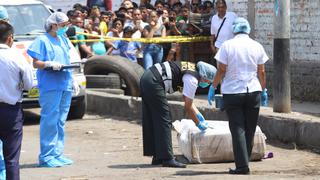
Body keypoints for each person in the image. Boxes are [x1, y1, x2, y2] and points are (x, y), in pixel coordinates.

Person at [210, 17, 269, 175]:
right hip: (253, 91)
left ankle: (242, 166)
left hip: (233, 92)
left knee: (238, 129)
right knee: (249, 129)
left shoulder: (227, 45)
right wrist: (263, 90)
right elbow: (261, 71)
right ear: (248, 29)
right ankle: (245, 161)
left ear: (234, 29)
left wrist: (213, 86)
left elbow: (222, 69)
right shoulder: (257, 45)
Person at [140, 60, 217, 168]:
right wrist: (198, 123)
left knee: (154, 118)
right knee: (164, 119)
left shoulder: (191, 70)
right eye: (209, 82)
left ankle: (158, 156)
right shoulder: (192, 80)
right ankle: (167, 159)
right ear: (205, 77)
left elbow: (187, 99)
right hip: (154, 81)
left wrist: (198, 114)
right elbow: (187, 107)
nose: (207, 84)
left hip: (148, 77)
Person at [27, 12, 74, 168]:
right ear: (54, 25)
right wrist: (47, 64)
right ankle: (46, 156)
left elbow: (66, 58)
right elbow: (36, 63)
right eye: (64, 25)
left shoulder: (63, 39)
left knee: (60, 121)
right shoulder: (42, 40)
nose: (66, 27)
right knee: (50, 120)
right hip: (50, 85)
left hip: (65, 82)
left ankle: (57, 153)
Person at [0, 20, 33, 180]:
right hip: (10, 112)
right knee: (11, 159)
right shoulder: (17, 57)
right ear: (10, 38)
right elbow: (28, 84)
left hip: (10, 109)